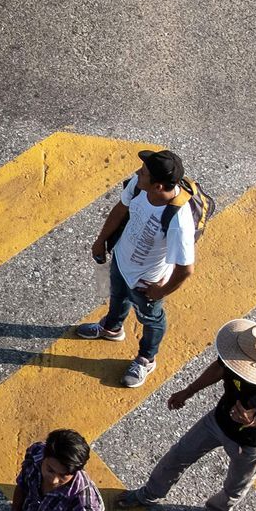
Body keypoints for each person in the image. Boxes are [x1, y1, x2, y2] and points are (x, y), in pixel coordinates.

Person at [118, 320, 256, 511]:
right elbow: (218, 368)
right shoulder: (236, 357)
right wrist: (188, 391)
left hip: (250, 444)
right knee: (178, 456)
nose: (230, 359)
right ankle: (150, 493)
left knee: (236, 485)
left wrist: (253, 421)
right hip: (217, 420)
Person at [75, 149, 198, 388]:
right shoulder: (140, 186)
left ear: (159, 186)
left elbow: (186, 268)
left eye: (143, 172)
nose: (137, 173)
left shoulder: (178, 220)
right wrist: (101, 241)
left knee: (151, 319)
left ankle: (146, 358)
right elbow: (120, 210)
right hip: (122, 260)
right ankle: (112, 328)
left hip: (145, 282)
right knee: (117, 296)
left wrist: (160, 291)